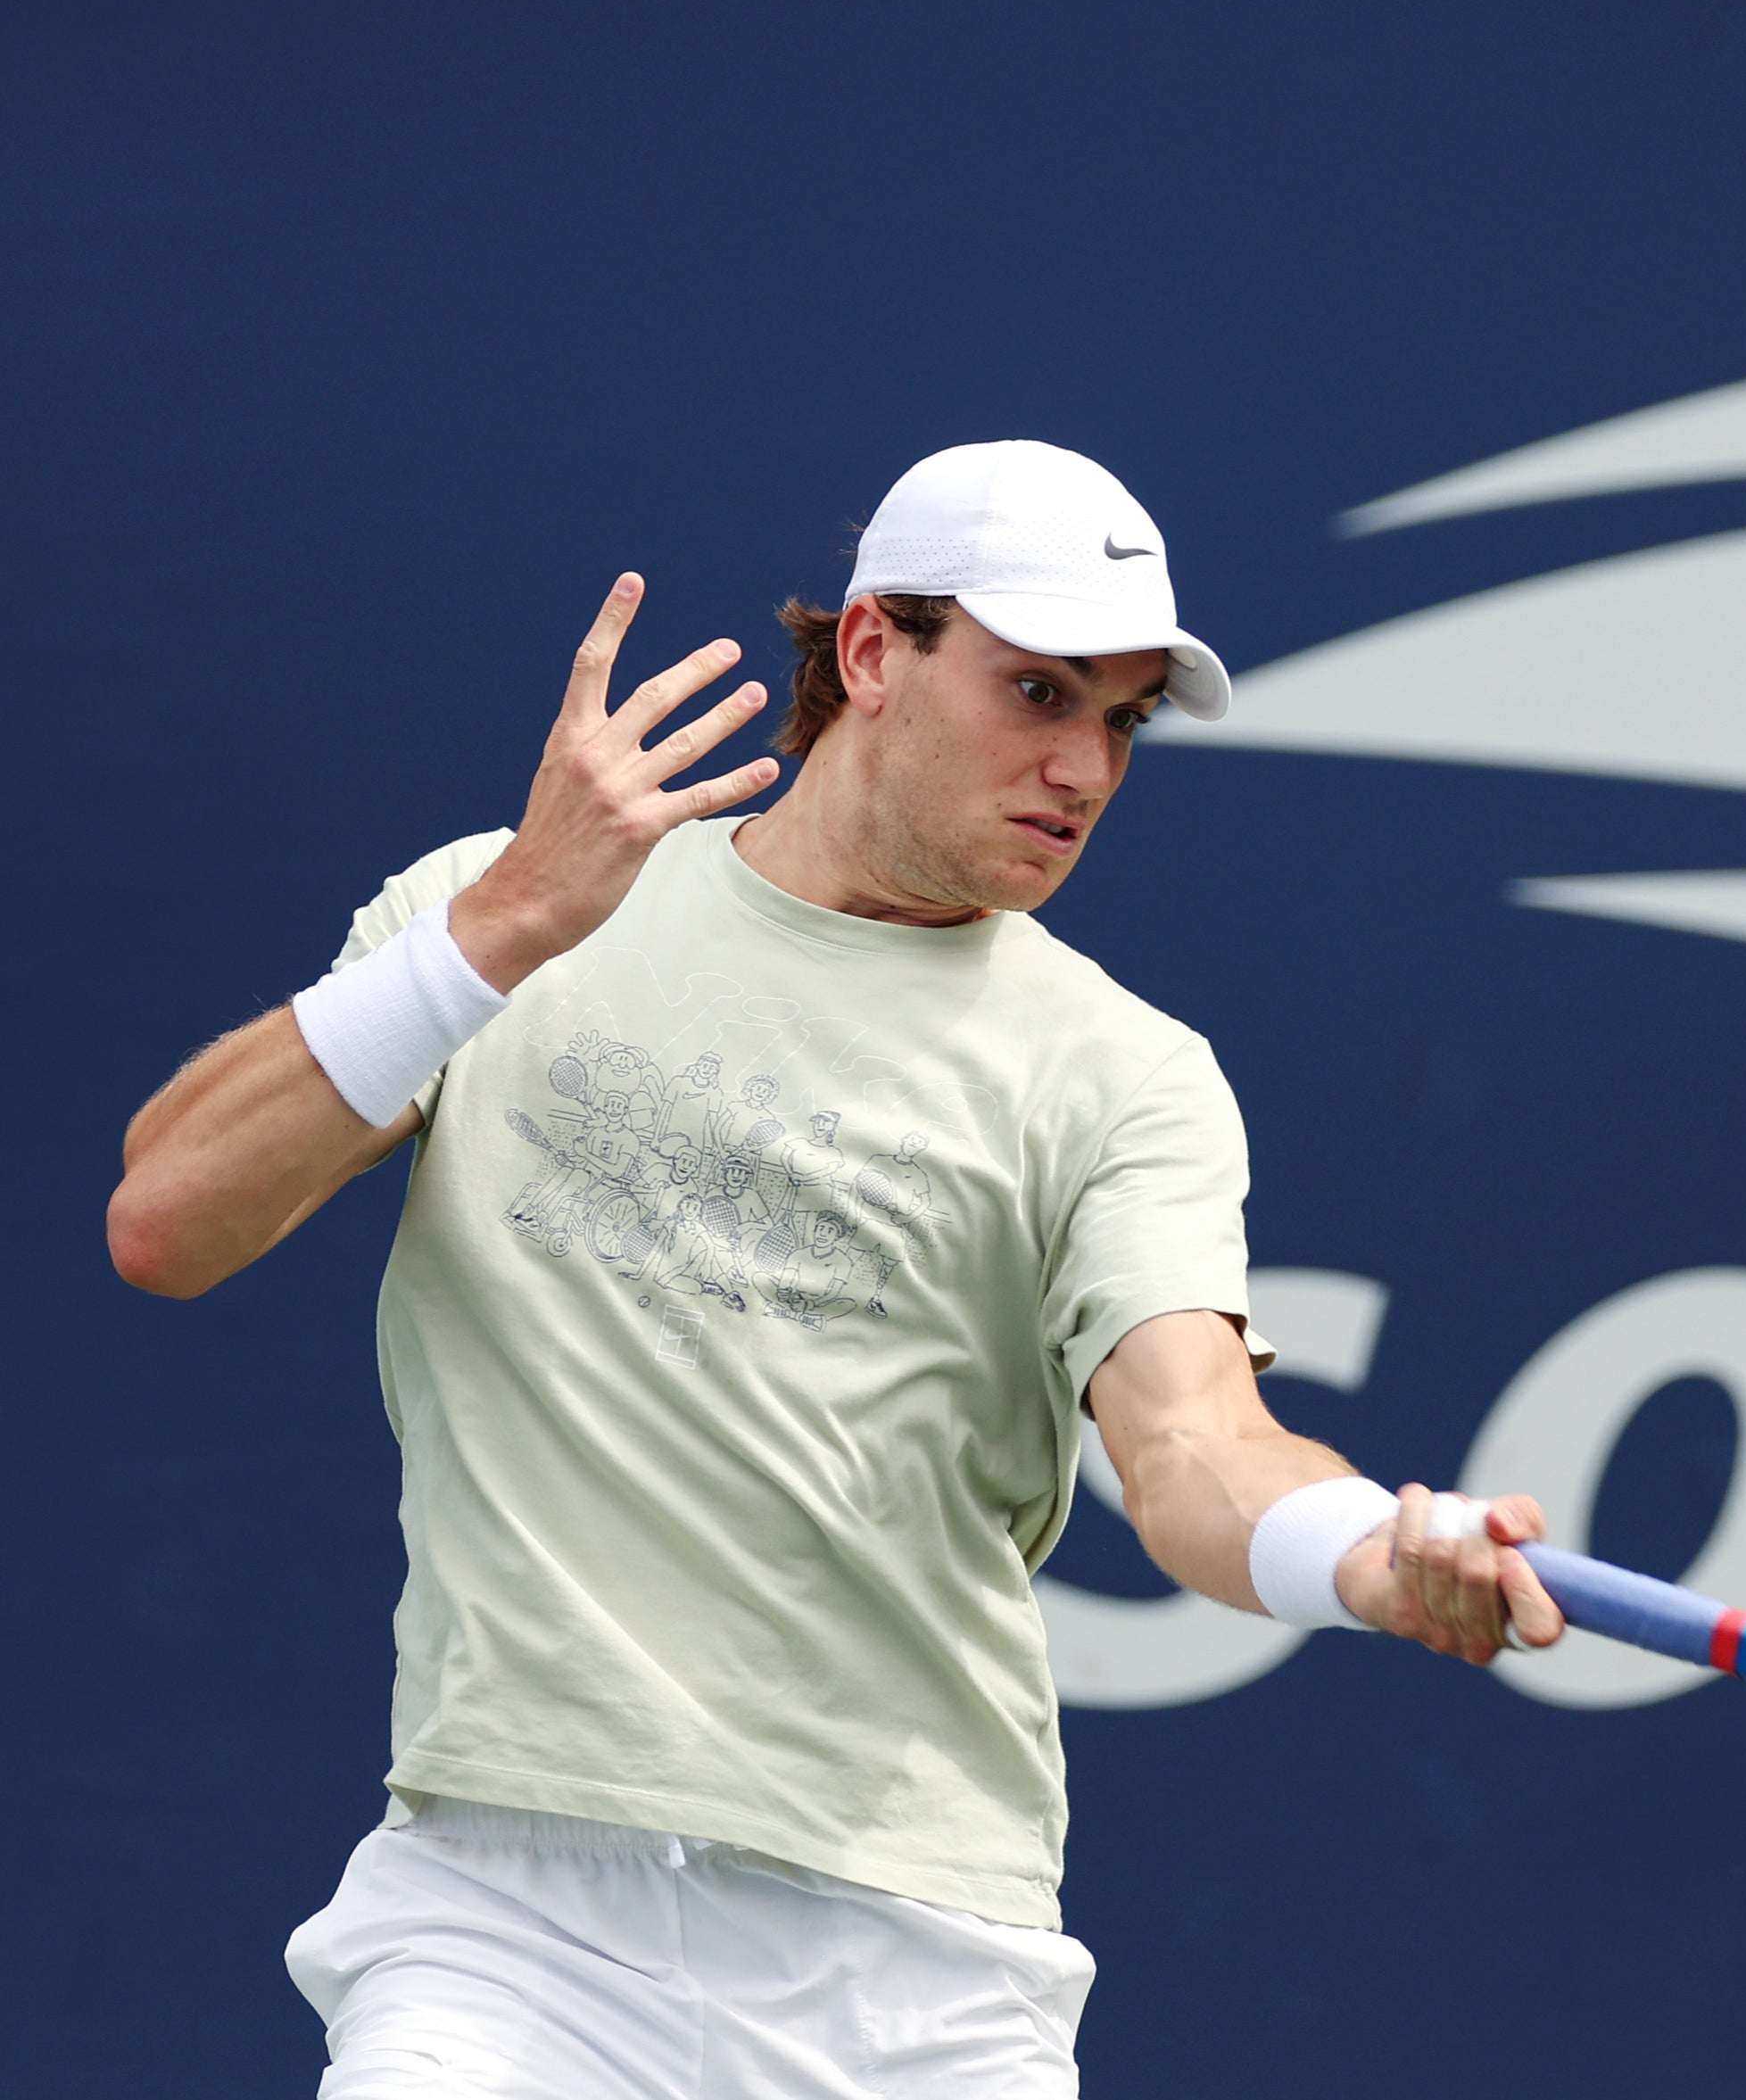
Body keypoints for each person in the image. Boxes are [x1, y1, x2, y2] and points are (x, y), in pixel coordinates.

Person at [105, 440, 1564, 2099]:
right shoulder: (494, 919)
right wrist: (502, 926)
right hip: (506, 1937)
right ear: (873, 653)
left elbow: (1190, 1445)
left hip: (921, 1978)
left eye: (1124, 718)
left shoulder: (1126, 1074)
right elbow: (166, 1219)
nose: (1082, 766)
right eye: (1038, 691)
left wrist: (1361, 1549)